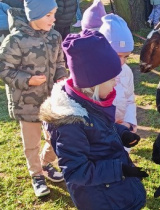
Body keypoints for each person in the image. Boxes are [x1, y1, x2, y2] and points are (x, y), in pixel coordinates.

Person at [39, 30, 148, 210]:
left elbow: (100, 128)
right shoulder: (70, 124)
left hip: (113, 189)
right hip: (100, 198)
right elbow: (76, 171)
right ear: (94, 83)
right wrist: (118, 170)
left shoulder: (89, 102)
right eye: (112, 79)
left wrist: (122, 133)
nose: (115, 84)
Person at [0, 0, 68, 197]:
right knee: (31, 143)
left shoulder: (55, 36)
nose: (53, 19)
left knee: (56, 137)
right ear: (33, 15)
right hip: (26, 102)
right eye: (48, 15)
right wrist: (28, 80)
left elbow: (59, 61)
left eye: (54, 14)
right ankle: (36, 174)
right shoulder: (15, 40)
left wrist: (61, 76)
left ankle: (45, 164)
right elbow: (4, 69)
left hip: (51, 101)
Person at [99, 14, 138, 137]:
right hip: (101, 133)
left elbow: (130, 98)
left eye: (126, 56)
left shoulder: (126, 71)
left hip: (121, 127)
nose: (122, 62)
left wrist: (128, 122)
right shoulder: (95, 74)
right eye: (117, 56)